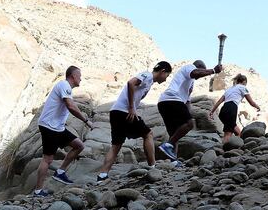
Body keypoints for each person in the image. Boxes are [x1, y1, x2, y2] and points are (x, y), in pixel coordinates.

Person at [96, 61, 173, 182]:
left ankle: (102, 176)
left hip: (115, 112)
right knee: (148, 134)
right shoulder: (147, 76)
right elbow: (130, 83)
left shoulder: (149, 81)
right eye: (167, 75)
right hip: (124, 112)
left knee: (116, 145)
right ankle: (152, 166)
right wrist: (132, 107)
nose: (165, 79)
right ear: (163, 71)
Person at [34, 66, 94, 197]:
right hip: (49, 127)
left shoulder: (66, 88)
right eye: (79, 76)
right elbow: (71, 106)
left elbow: (70, 105)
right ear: (73, 76)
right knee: (48, 159)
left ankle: (60, 172)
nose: (81, 78)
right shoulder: (64, 85)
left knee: (79, 145)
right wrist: (86, 120)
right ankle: (38, 191)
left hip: (58, 128)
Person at [156, 60, 222, 160]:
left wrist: (190, 114)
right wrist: (213, 70)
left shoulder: (190, 82)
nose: (200, 76)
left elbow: (187, 101)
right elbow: (196, 73)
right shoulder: (189, 67)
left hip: (163, 102)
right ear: (198, 67)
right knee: (190, 124)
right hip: (172, 99)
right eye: (201, 72)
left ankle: (173, 160)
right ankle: (168, 144)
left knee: (174, 134)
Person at [209, 74, 261, 144]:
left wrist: (212, 112)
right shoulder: (242, 87)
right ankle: (223, 150)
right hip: (231, 108)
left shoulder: (229, 89)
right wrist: (257, 107)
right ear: (244, 82)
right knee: (228, 134)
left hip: (223, 110)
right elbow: (251, 102)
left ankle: (234, 148)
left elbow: (219, 101)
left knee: (238, 133)